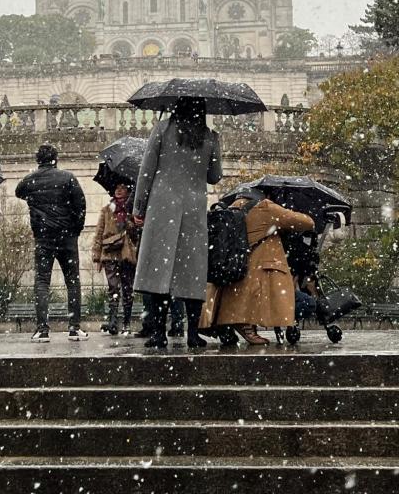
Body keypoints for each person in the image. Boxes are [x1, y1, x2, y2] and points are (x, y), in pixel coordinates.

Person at [133, 97, 223, 349]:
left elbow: (147, 171)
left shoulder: (162, 129)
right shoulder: (210, 136)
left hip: (162, 206)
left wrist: (138, 206)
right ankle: (192, 333)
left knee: (158, 271)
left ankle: (159, 333)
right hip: (193, 208)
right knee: (191, 270)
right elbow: (214, 177)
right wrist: (214, 147)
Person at [201, 190, 315, 344]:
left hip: (237, 270)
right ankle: (246, 326)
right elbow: (307, 222)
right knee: (306, 303)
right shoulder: (266, 207)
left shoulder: (231, 209)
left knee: (241, 301)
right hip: (259, 272)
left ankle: (228, 323)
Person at [16, 144, 88, 343]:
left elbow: (18, 192)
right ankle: (74, 328)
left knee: (42, 282)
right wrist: (75, 229)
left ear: (38, 160)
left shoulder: (30, 180)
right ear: (56, 159)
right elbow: (80, 206)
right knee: (72, 280)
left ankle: (42, 329)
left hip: (43, 236)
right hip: (67, 236)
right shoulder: (68, 178)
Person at [92, 182, 138, 335]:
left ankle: (126, 322)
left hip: (126, 254)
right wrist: (97, 255)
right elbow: (99, 232)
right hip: (109, 253)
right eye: (116, 187)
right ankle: (113, 321)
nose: (118, 190)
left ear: (128, 191)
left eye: (123, 188)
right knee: (113, 288)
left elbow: (136, 234)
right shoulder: (106, 210)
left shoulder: (132, 210)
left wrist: (129, 221)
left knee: (127, 288)